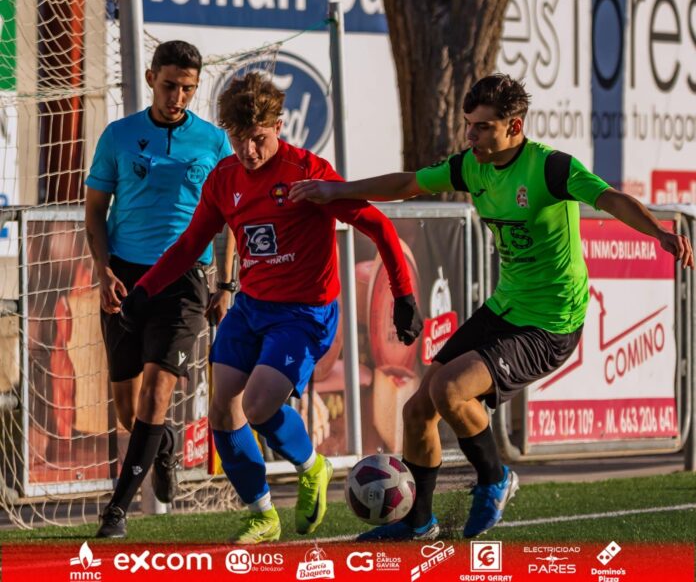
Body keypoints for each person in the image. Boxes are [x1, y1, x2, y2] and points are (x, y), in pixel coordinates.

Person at [289, 73, 694, 540]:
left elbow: (612, 199)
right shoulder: (472, 166)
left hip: (551, 323)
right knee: (417, 410)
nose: (471, 136)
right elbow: (410, 182)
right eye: (468, 125)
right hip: (504, 307)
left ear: (514, 127)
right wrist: (337, 190)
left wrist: (660, 232)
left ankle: (495, 478)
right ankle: (419, 523)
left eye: (482, 127)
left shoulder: (550, 168)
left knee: (450, 392)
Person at [118, 72, 423, 544]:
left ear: (279, 126)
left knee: (258, 406)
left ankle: (312, 466)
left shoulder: (308, 172)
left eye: (258, 139)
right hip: (251, 307)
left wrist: (403, 295)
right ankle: (262, 513)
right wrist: (144, 290)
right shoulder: (224, 179)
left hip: (304, 313)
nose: (248, 151)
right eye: (238, 139)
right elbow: (189, 245)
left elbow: (378, 225)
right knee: (223, 409)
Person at [85, 41, 233, 538]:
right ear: (151, 78)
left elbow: (229, 217)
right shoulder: (119, 136)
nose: (178, 97)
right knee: (130, 413)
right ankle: (164, 442)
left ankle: (116, 510)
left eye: (188, 89)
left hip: (185, 281)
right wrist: (104, 271)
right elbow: (94, 211)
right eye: (170, 85)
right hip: (126, 279)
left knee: (155, 393)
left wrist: (226, 283)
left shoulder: (213, 142)